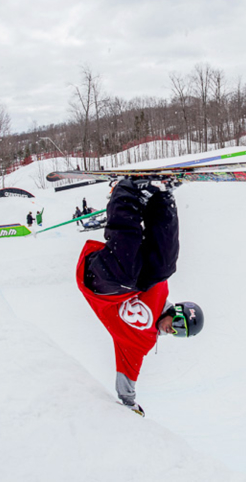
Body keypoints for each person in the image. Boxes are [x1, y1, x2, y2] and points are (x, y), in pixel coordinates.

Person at [76, 177, 203, 417]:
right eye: (177, 324)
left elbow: (128, 375)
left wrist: (129, 402)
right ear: (175, 311)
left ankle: (124, 191)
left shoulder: (140, 343)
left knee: (127, 276)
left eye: (178, 333)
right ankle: (161, 197)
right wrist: (158, 203)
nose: (171, 330)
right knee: (164, 268)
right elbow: (156, 247)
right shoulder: (160, 292)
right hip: (118, 272)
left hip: (96, 282)